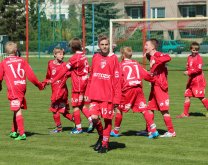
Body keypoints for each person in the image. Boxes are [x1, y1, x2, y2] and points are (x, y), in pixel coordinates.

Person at [110, 47, 159, 139]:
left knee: (119, 109)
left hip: (128, 89)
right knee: (144, 109)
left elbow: (119, 80)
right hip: (138, 89)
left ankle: (115, 131)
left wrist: (116, 92)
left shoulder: (121, 65)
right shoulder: (136, 63)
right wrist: (153, 80)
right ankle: (153, 130)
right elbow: (145, 74)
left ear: (123, 55)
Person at [0, 41, 43, 140]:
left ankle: (22, 133)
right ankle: (14, 131)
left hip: (13, 88)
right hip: (22, 86)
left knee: (17, 109)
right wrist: (38, 85)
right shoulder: (22, 61)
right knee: (16, 108)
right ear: (16, 50)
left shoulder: (3, 63)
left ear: (6, 52)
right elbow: (31, 75)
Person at [85, 35, 121, 153]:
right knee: (94, 118)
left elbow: (117, 80)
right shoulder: (95, 57)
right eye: (102, 45)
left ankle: (105, 144)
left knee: (107, 120)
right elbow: (91, 76)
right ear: (99, 46)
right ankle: (101, 136)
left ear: (109, 46)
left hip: (108, 96)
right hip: (95, 95)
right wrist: (87, 92)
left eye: (106, 44)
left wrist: (117, 99)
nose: (105, 47)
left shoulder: (114, 59)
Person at [50, 38, 93, 134]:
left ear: (73, 48)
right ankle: (91, 120)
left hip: (78, 85)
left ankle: (78, 129)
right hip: (84, 83)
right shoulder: (83, 55)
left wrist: (54, 79)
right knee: (81, 105)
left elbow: (64, 70)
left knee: (75, 106)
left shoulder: (74, 58)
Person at [144, 38, 176, 138]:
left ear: (153, 47)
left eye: (146, 45)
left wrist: (156, 61)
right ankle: (149, 130)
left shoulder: (157, 54)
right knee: (149, 109)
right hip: (154, 85)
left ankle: (171, 131)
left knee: (164, 109)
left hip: (160, 86)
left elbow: (168, 57)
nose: (145, 47)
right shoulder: (150, 56)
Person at [43, 47, 74, 133]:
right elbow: (48, 76)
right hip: (56, 90)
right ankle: (77, 122)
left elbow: (71, 74)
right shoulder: (50, 64)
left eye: (63, 54)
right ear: (55, 55)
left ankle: (59, 128)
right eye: (60, 54)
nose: (62, 56)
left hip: (61, 91)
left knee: (54, 109)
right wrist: (45, 82)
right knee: (63, 111)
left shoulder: (65, 65)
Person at [176, 42, 208, 118]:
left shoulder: (199, 58)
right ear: (191, 49)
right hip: (191, 81)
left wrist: (189, 72)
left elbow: (199, 70)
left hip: (198, 81)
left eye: (197, 50)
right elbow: (188, 67)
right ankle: (185, 113)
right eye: (194, 50)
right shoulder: (189, 57)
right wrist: (187, 70)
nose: (195, 51)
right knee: (187, 96)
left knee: (201, 97)